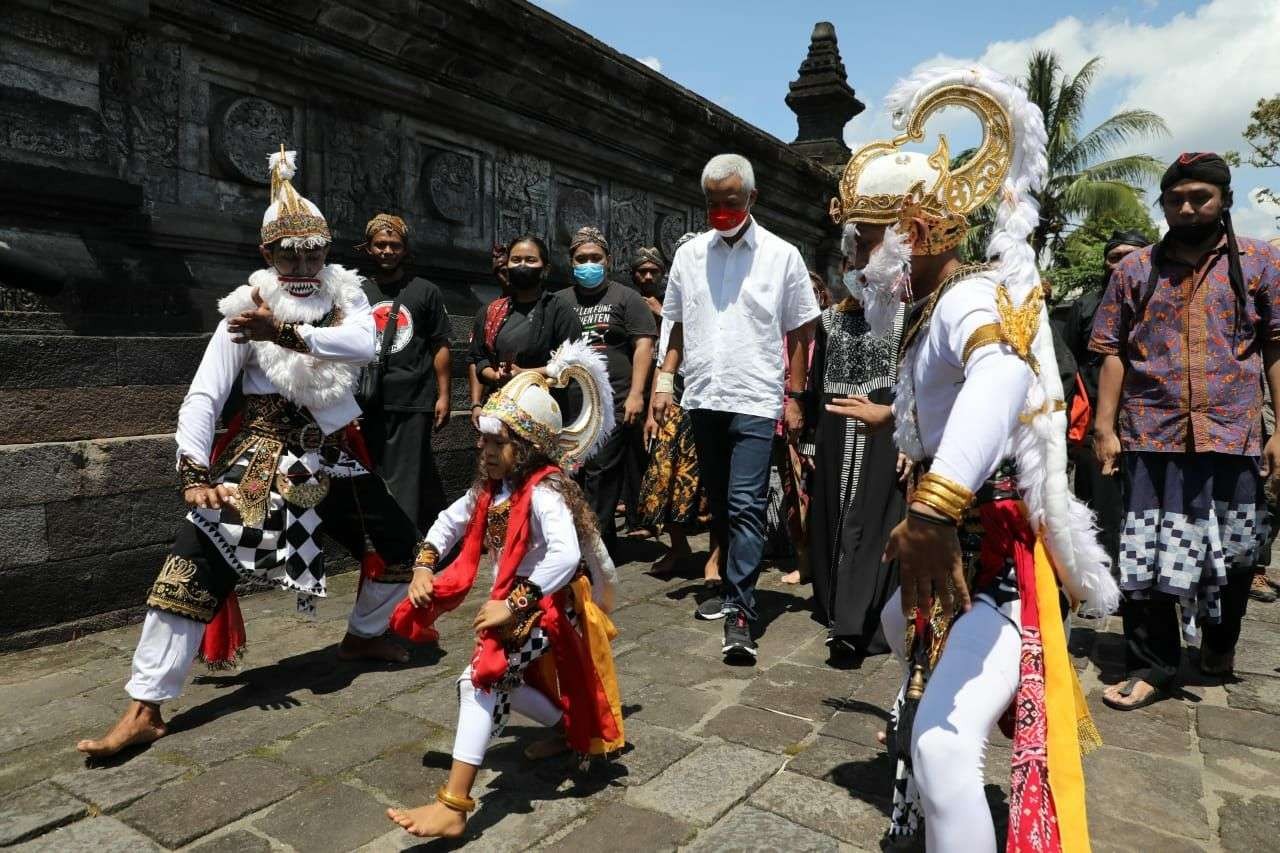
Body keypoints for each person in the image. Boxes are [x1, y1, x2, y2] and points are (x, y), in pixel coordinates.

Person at [831, 66, 1118, 851]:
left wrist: (931, 507)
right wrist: (899, 426)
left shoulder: (965, 298)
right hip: (954, 555)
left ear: (914, 235)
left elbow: (1001, 375)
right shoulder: (928, 310)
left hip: (991, 559)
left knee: (941, 747)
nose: (855, 257)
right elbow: (953, 401)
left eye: (865, 236)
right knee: (898, 624)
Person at [75, 149, 425, 759]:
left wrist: (284, 332)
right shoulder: (242, 312)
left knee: (399, 547)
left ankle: (364, 637)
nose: (303, 263)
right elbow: (203, 397)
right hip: (263, 459)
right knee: (193, 563)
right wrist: (194, 472)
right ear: (268, 256)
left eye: (314, 251)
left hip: (335, 459)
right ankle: (144, 706)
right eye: (289, 253)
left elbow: (363, 347)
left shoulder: (347, 301)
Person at [384, 339, 624, 840]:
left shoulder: (546, 489)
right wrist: (424, 566)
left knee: (479, 681)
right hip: (521, 606)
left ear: (528, 447)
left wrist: (516, 602)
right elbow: (449, 523)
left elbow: (564, 554)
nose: (486, 452)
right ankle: (563, 728)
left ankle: (454, 805)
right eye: (485, 443)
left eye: (498, 444)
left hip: (546, 608)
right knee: (497, 683)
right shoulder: (491, 488)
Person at [1090, 153, 1280, 710]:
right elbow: (1112, 352)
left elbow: (1274, 346)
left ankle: (1220, 646)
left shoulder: (1261, 262)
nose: (1188, 207)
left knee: (1238, 553)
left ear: (1224, 199)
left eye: (1200, 196)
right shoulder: (1134, 271)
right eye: (1176, 199)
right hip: (1152, 434)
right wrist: (1105, 427)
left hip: (1231, 434)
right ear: (1164, 205)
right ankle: (1152, 666)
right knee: (1145, 555)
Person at [652, 153, 820, 662]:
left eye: (731, 201)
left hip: (754, 395)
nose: (721, 211)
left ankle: (743, 612)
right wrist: (664, 382)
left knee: (746, 503)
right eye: (712, 203)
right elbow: (676, 323)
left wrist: (793, 395)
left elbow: (800, 329)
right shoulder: (689, 257)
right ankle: (729, 588)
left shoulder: (782, 255)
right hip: (703, 394)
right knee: (722, 502)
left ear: (752, 199)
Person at [804, 251, 905, 657]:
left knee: (872, 519)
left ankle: (855, 622)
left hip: (884, 434)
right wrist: (811, 439)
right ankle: (837, 607)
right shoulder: (830, 321)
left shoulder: (906, 320)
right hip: (834, 431)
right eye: (852, 266)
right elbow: (814, 381)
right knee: (834, 515)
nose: (860, 275)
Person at [557, 226, 657, 555]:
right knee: (576, 472)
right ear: (571, 262)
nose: (588, 264)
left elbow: (643, 346)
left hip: (612, 399)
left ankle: (592, 546)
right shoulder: (559, 301)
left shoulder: (626, 298)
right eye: (581, 259)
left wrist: (637, 395)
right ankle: (597, 539)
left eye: (595, 258)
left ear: (608, 260)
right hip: (570, 402)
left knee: (602, 470)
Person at [1060, 229, 1151, 567]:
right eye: (1114, 257)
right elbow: (1067, 365)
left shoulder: (1165, 301)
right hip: (1095, 427)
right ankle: (1101, 578)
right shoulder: (1085, 306)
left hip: (1152, 424)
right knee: (1098, 507)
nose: (1121, 265)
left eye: (1131, 256)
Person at [638, 233, 723, 582]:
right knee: (663, 475)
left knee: (715, 480)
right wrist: (653, 407)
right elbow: (664, 359)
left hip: (715, 396)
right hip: (677, 396)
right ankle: (678, 546)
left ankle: (717, 555)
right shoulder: (675, 301)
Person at [357, 213, 452, 529]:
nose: (387, 251)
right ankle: (378, 540)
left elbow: (439, 345)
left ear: (405, 249)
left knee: (407, 479)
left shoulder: (426, 291)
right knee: (366, 471)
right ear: (368, 248)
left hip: (413, 399)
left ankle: (405, 543)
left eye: (394, 245)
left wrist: (444, 395)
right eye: (380, 245)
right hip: (365, 399)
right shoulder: (355, 292)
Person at [467, 234, 582, 402]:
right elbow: (479, 357)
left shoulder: (559, 310)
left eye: (530, 260)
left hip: (547, 409)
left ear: (545, 269)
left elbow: (573, 363)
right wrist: (495, 376)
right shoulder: (491, 312)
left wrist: (523, 374)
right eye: (516, 259)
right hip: (500, 407)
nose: (522, 265)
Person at [621, 246, 668, 540]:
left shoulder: (670, 303)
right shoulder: (625, 301)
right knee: (632, 452)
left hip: (663, 385)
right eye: (643, 271)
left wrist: (660, 314)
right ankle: (636, 516)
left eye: (654, 271)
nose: (648, 276)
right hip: (632, 385)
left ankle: (660, 514)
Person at [468, 244, 510, 428]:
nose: (508, 274)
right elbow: (476, 358)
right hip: (497, 402)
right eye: (502, 271)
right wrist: (476, 403)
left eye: (512, 268)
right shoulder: (488, 312)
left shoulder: (550, 308)